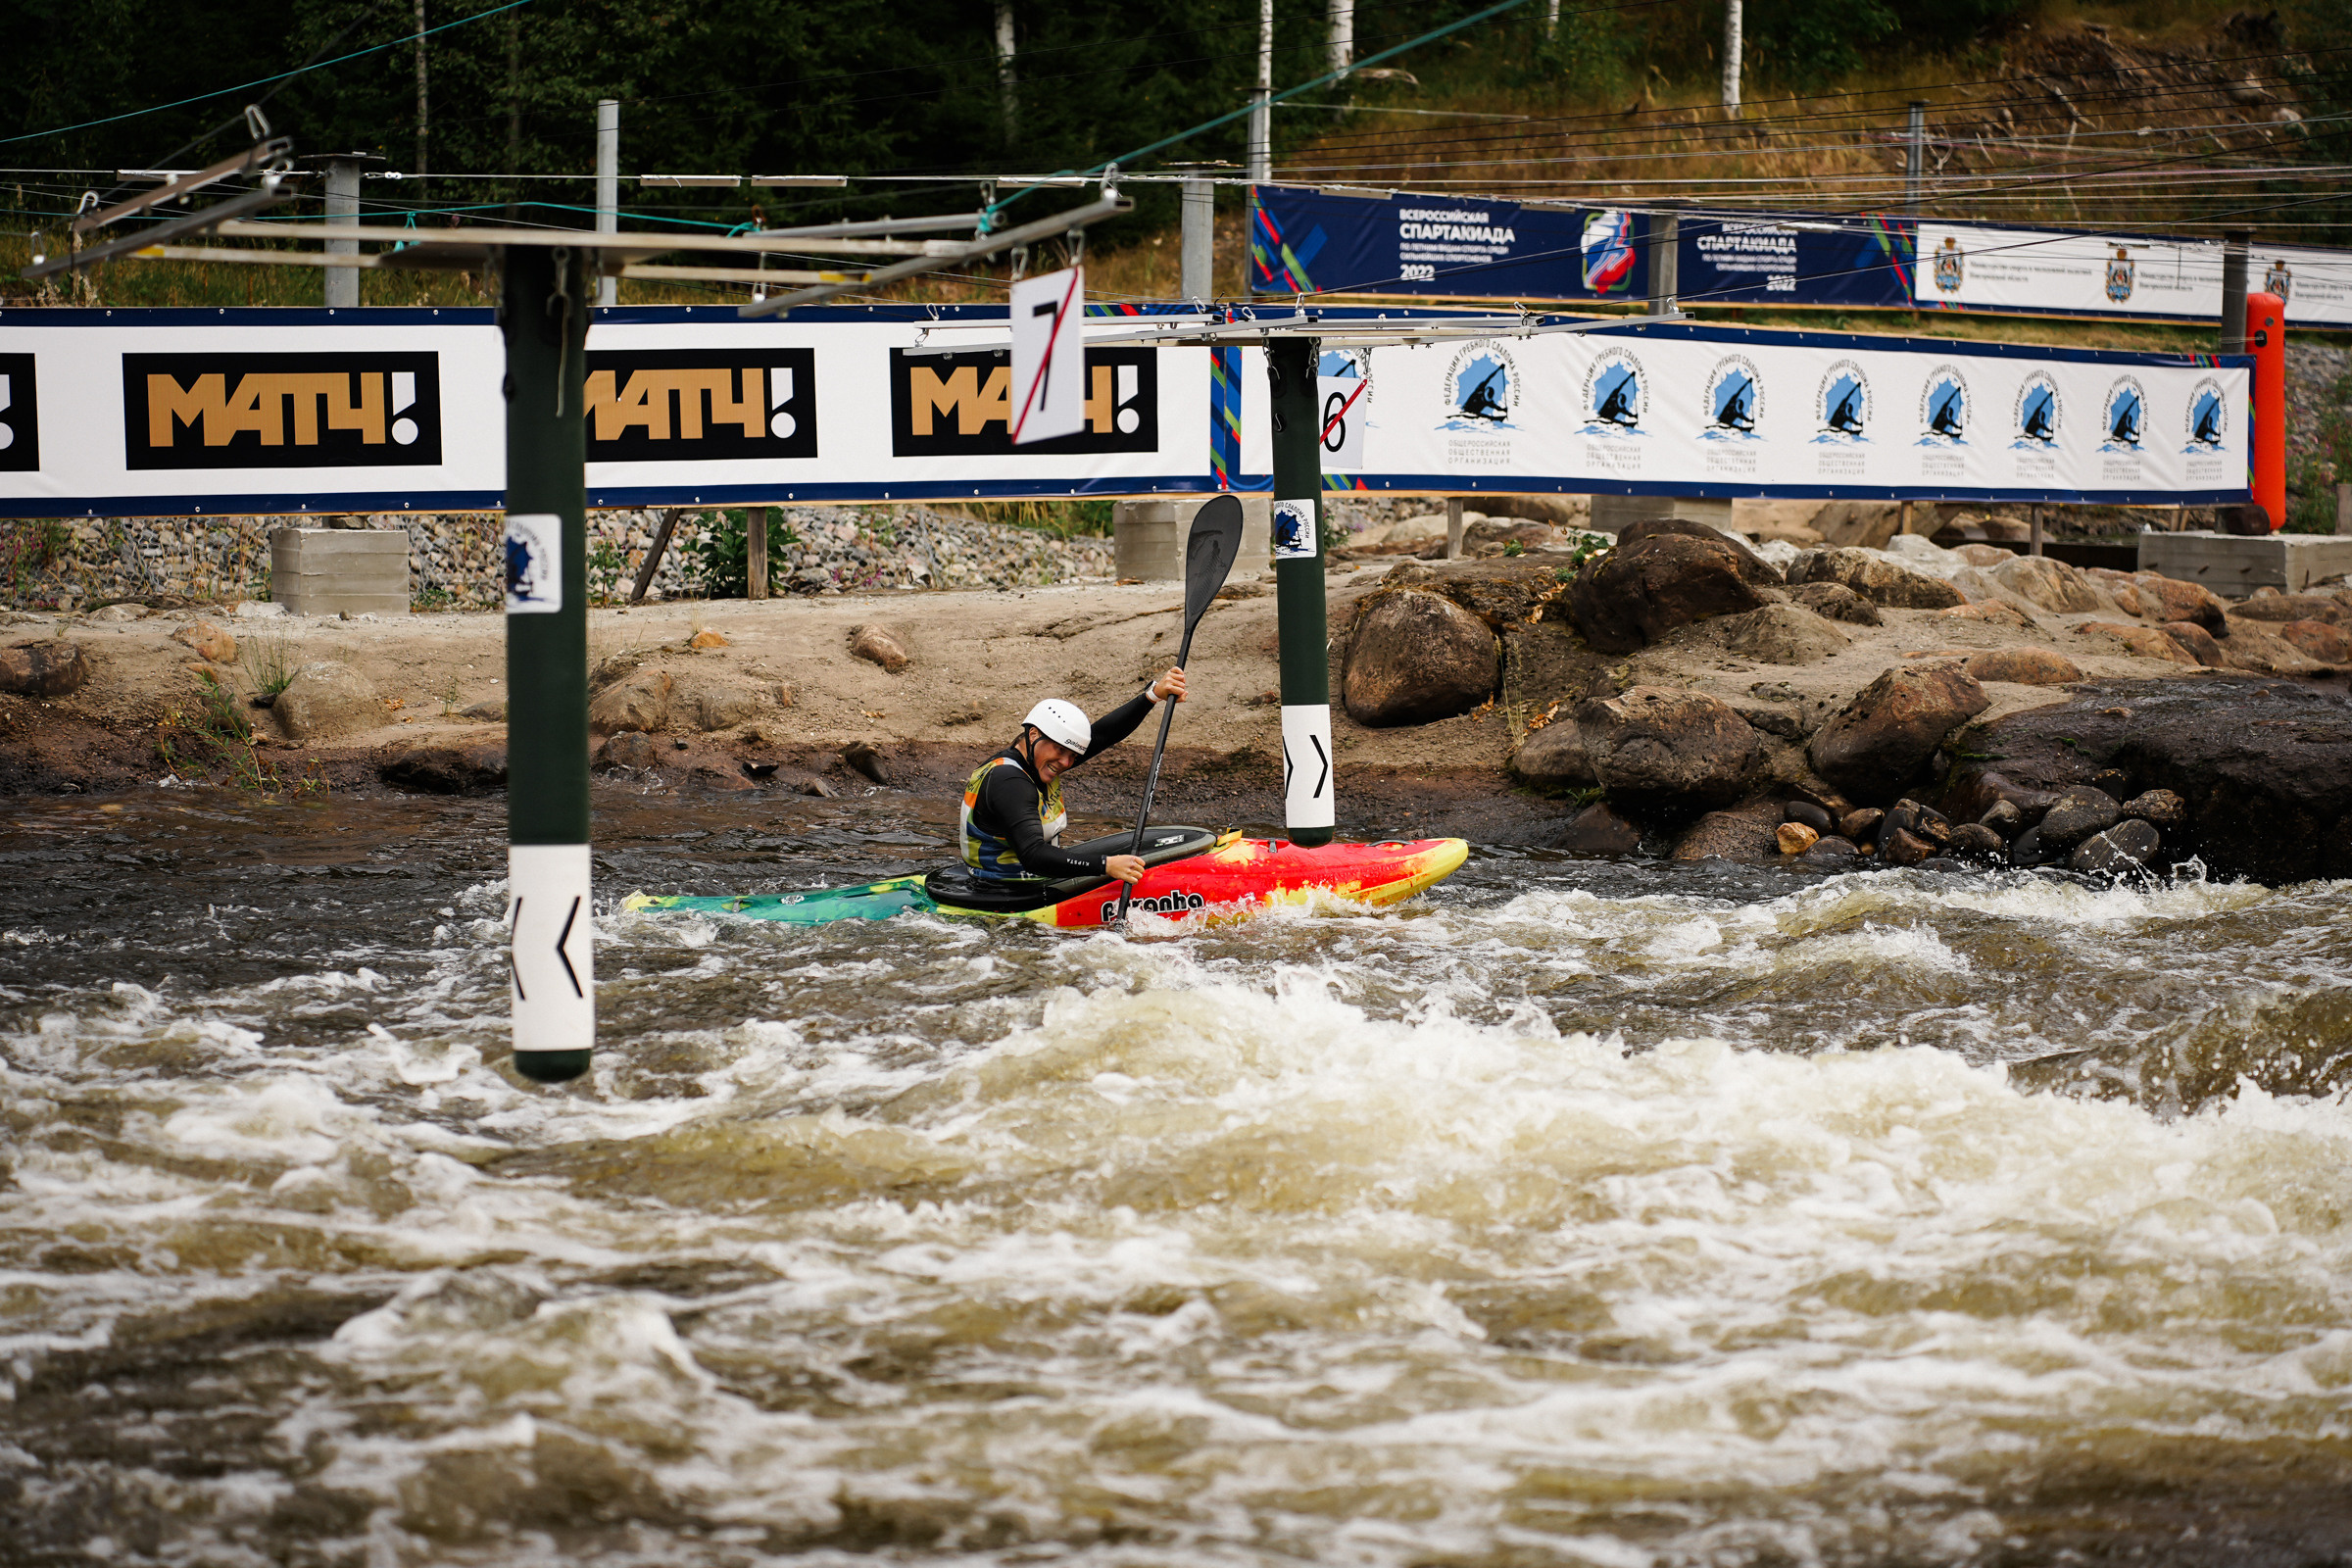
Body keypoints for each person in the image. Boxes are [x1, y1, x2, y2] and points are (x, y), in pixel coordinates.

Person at [960, 667, 1188, 885]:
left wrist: (1153, 695)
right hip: (1002, 891)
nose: (1067, 763)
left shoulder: (1040, 758)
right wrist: (1106, 865)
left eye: (1072, 755)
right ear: (1033, 734)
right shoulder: (1009, 781)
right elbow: (1033, 855)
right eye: (1061, 751)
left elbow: (1103, 735)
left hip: (1031, 879)